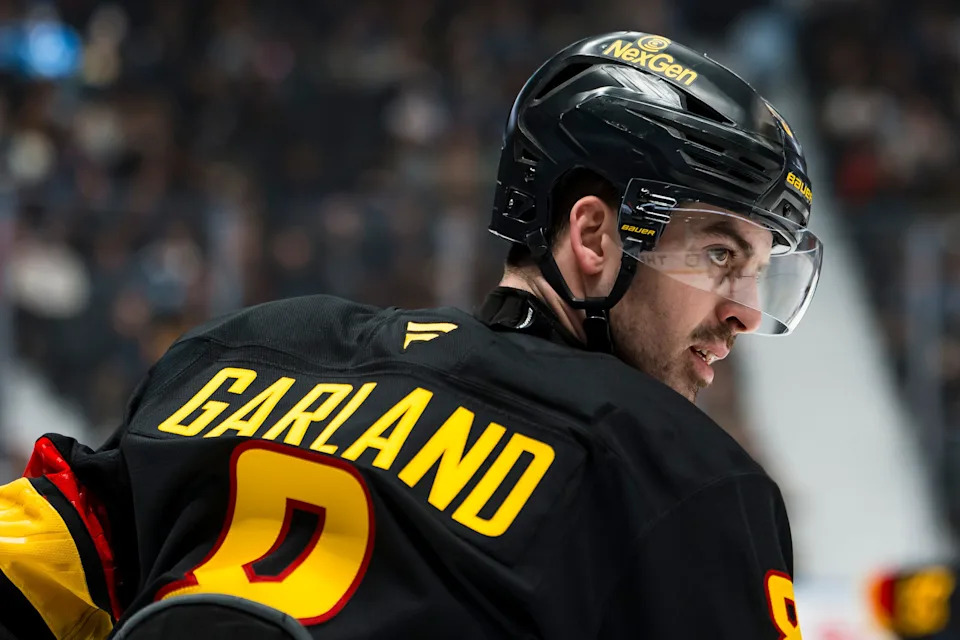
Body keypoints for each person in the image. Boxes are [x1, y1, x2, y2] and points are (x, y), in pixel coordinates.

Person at [0, 31, 821, 639]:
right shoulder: (678, 475)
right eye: (719, 253)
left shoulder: (245, 348)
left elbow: (30, 563)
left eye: (756, 270)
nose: (745, 309)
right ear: (595, 236)